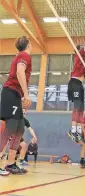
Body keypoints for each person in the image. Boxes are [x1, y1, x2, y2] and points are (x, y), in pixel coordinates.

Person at [0, 36, 32, 176]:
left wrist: (21, 96)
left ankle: (11, 164)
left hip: (15, 95)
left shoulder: (20, 55)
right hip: (11, 93)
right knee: (11, 127)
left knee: (19, 128)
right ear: (29, 45)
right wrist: (26, 94)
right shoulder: (24, 55)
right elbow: (20, 72)